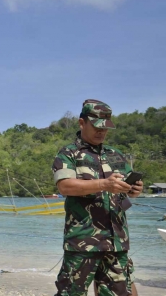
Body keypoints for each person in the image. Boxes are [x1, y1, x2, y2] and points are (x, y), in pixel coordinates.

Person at [52, 99, 144, 296]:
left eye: (106, 127)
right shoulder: (69, 153)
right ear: (81, 123)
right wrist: (104, 184)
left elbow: (126, 189)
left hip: (116, 242)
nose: (101, 132)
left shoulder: (116, 155)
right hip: (83, 242)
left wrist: (134, 189)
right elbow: (65, 186)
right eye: (96, 126)